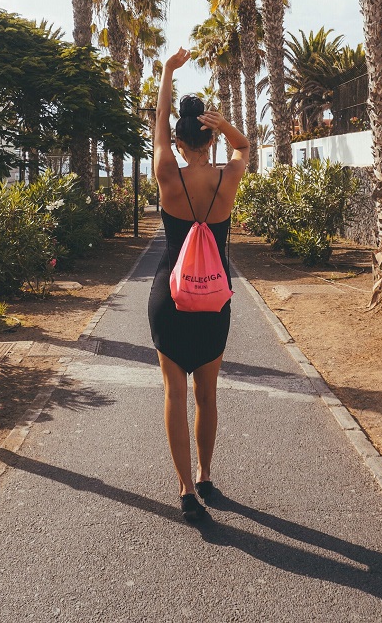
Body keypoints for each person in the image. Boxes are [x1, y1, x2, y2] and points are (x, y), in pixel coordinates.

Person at [148, 47, 249, 522]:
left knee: (174, 393)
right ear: (209, 139)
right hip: (214, 296)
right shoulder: (228, 177)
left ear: (179, 141)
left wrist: (168, 71)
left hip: (170, 295)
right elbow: (244, 148)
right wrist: (225, 125)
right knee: (207, 394)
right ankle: (206, 475)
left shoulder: (167, 174)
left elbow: (159, 125)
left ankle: (186, 489)